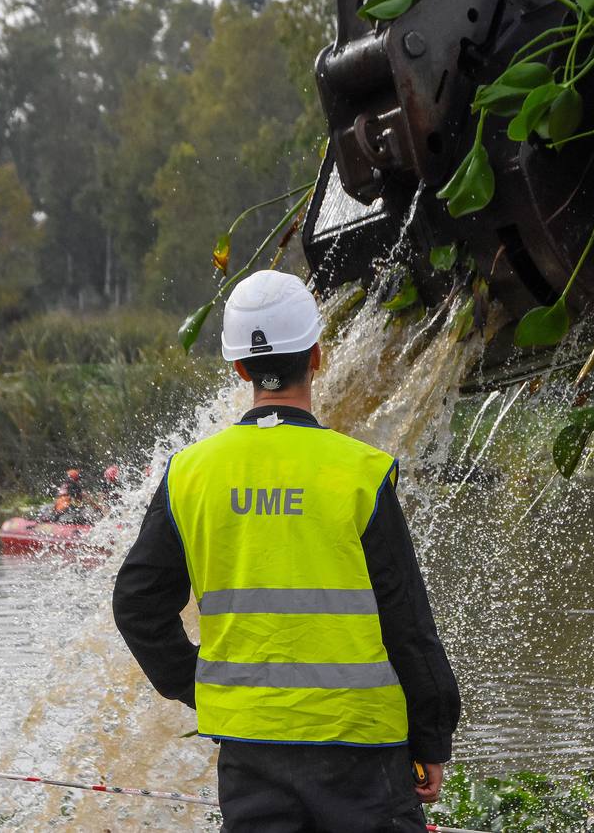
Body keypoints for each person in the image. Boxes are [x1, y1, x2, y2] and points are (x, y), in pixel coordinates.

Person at [113, 269, 460, 833]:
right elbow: (408, 623)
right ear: (318, 356)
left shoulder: (190, 475)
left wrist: (197, 683)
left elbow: (136, 605)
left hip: (252, 752)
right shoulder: (359, 475)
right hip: (363, 751)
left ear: (239, 368)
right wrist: (431, 736)